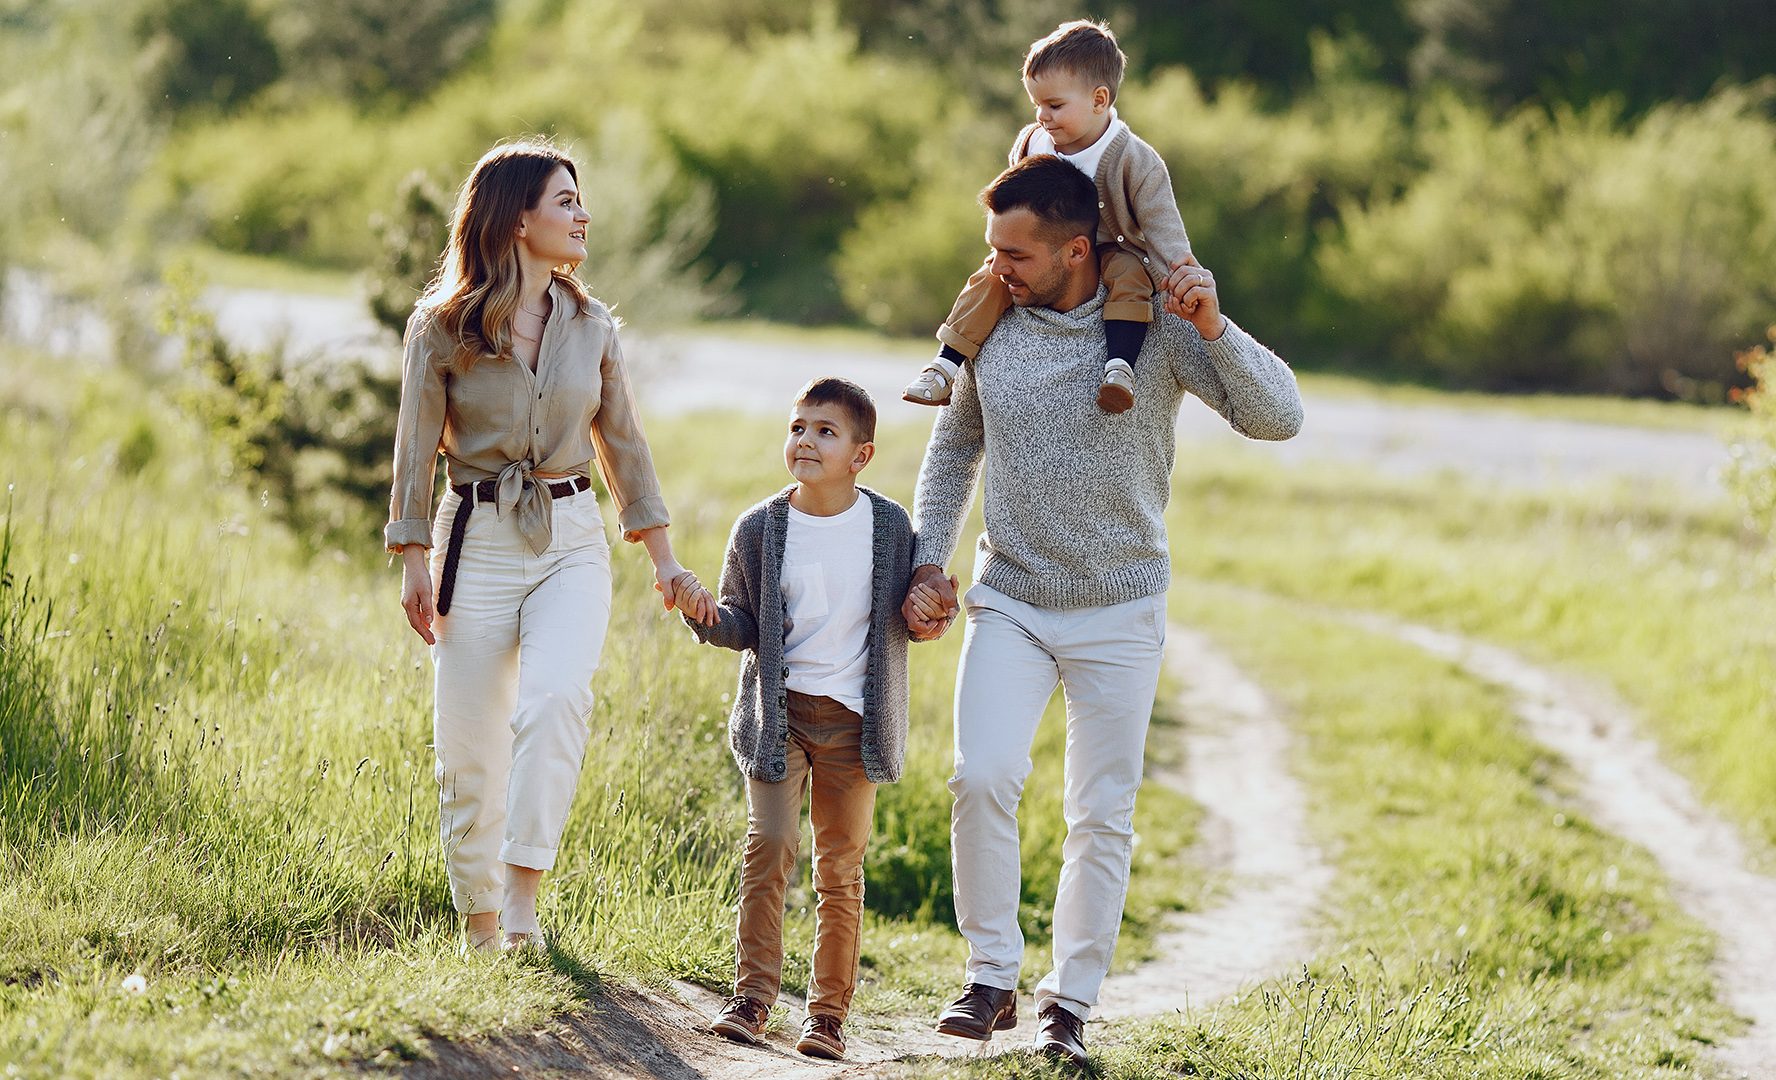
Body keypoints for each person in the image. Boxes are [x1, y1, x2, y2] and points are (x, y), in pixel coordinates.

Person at [900, 154, 1303, 1066]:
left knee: (1101, 814)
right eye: (992, 248)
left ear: (1077, 248)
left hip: (1121, 607)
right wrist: (929, 560)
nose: (996, 268)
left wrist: (1217, 325)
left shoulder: (1154, 326)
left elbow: (1280, 418)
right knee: (982, 776)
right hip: (1012, 598)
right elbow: (951, 450)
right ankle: (991, 974)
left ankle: (1067, 1006)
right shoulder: (992, 321)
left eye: (1017, 254)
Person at [386, 139, 718, 955]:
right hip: (474, 537)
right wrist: (414, 559)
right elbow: (414, 447)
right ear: (516, 216)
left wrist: (664, 557)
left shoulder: (592, 324)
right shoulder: (442, 327)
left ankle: (525, 900)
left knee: (555, 701)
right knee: (467, 744)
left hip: (571, 537)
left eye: (579, 200)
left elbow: (625, 446)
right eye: (566, 201)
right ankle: (481, 928)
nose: (582, 215)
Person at [685, 378, 922, 1061]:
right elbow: (744, 623)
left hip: (855, 722)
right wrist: (707, 617)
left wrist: (936, 605)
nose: (806, 441)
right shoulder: (759, 527)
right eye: (797, 427)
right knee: (769, 848)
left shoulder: (888, 528)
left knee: (840, 869)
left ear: (861, 454)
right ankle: (753, 998)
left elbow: (914, 610)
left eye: (826, 431)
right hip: (778, 717)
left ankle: (826, 1017)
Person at [903, 19, 1194, 416]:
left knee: (1130, 278)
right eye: (1037, 105)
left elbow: (1163, 226)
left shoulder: (1135, 160)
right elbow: (1012, 201)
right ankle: (945, 366)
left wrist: (1179, 276)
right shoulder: (1032, 141)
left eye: (1054, 105)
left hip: (1111, 250)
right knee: (991, 276)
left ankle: (1120, 368)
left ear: (1099, 99)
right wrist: (1004, 251)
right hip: (1047, 251)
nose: (1043, 116)